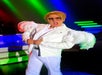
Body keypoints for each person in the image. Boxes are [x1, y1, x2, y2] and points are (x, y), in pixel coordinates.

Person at [18, 11, 96, 75]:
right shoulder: (41, 26)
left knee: (54, 73)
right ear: (47, 20)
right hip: (34, 52)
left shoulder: (68, 32)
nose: (54, 20)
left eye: (58, 18)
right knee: (31, 72)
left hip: (51, 55)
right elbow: (28, 31)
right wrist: (27, 39)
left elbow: (67, 45)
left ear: (63, 19)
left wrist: (43, 43)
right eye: (51, 19)